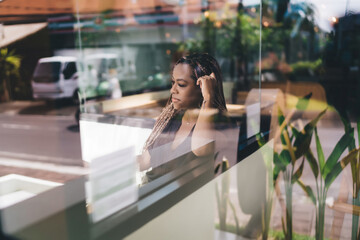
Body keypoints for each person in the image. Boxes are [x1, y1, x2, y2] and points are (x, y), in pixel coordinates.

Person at [139, 53, 235, 182]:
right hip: (151, 192)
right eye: (173, 82)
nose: (173, 90)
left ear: (202, 87)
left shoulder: (218, 124)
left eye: (181, 84)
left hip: (177, 198)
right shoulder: (172, 120)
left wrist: (208, 98)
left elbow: (201, 148)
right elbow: (146, 161)